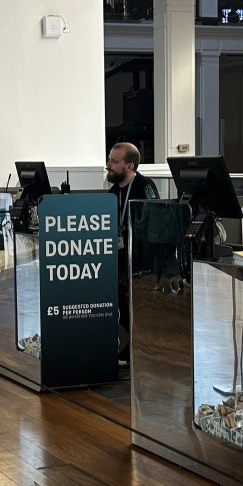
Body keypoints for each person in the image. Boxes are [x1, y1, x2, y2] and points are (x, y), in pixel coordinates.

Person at [105, 141, 157, 363]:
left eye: (114, 161)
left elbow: (155, 218)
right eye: (109, 160)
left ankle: (140, 350)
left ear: (130, 166)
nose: (108, 165)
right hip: (117, 260)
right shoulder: (112, 192)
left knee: (135, 306)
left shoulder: (144, 186)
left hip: (140, 260)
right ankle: (123, 348)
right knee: (119, 305)